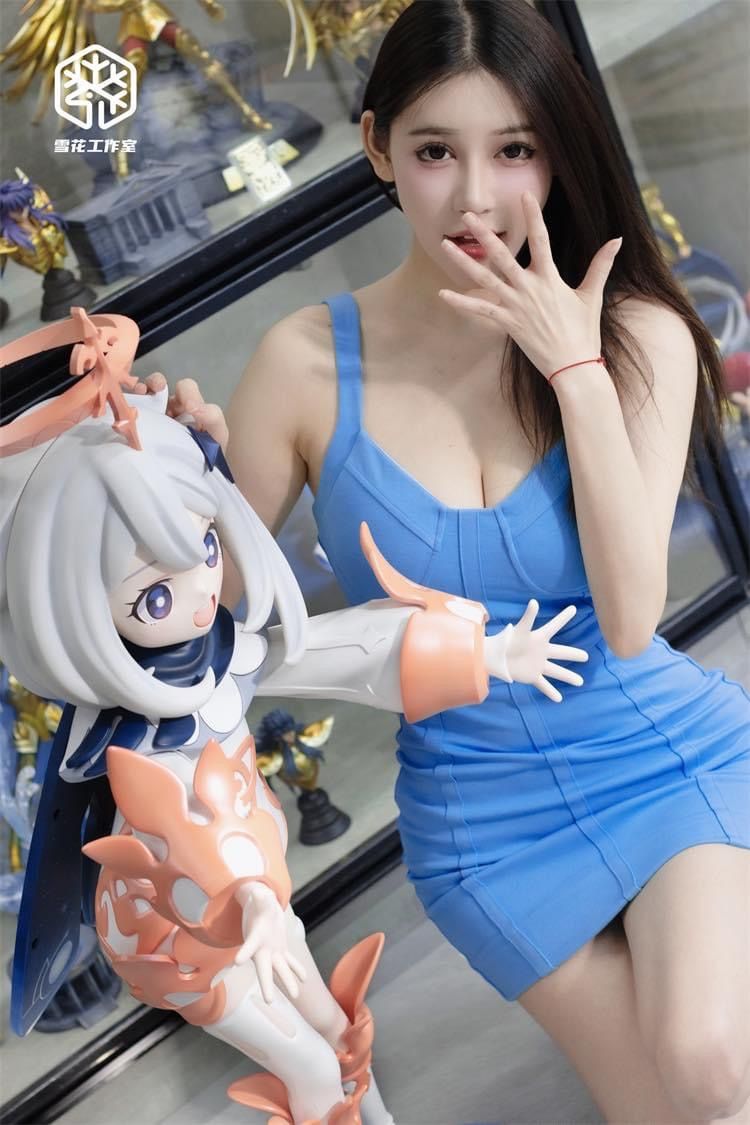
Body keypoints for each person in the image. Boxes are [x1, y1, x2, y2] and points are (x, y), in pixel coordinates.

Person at [171, 2, 750, 1121]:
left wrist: (575, 372)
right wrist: (174, 487)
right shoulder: (303, 364)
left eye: (514, 150)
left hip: (662, 758)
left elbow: (632, 617)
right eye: (437, 151)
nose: (475, 198)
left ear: (556, 156)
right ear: (379, 147)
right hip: (485, 822)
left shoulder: (636, 335)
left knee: (710, 1064)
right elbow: (209, 617)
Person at [0, 309, 589, 1125]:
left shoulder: (220, 656)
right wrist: (249, 902)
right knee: (310, 1065)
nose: (201, 594)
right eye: (156, 595)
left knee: (338, 1028)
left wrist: (482, 653)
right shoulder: (132, 737)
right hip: (174, 932)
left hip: (255, 892)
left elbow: (337, 652)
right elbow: (177, 840)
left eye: (206, 547)